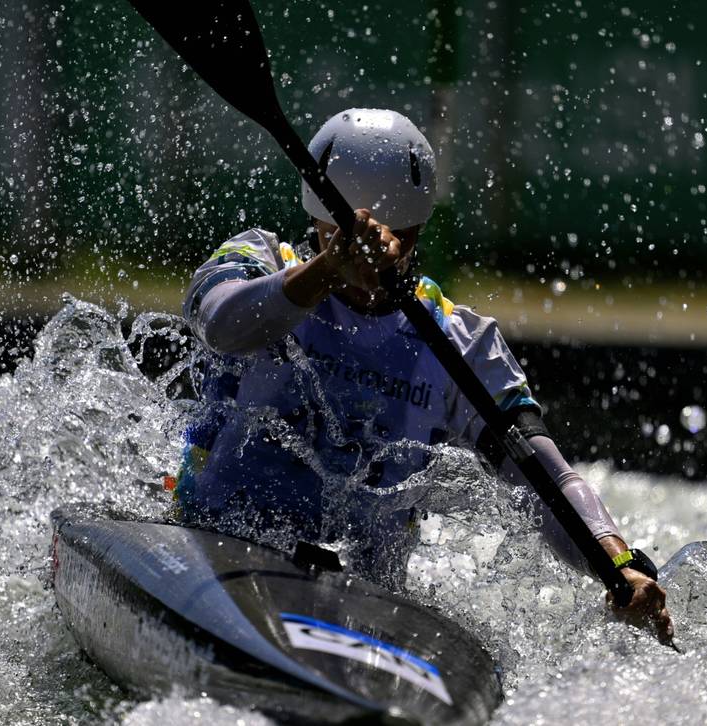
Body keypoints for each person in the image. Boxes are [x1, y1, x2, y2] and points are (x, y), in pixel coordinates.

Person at [175, 108, 672, 642]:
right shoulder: (260, 260)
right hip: (215, 548)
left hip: (365, 594)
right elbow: (222, 325)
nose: (367, 264)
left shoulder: (462, 343)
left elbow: (545, 476)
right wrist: (328, 268)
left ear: (414, 234)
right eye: (336, 236)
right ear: (318, 222)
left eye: (399, 240)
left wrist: (619, 563)